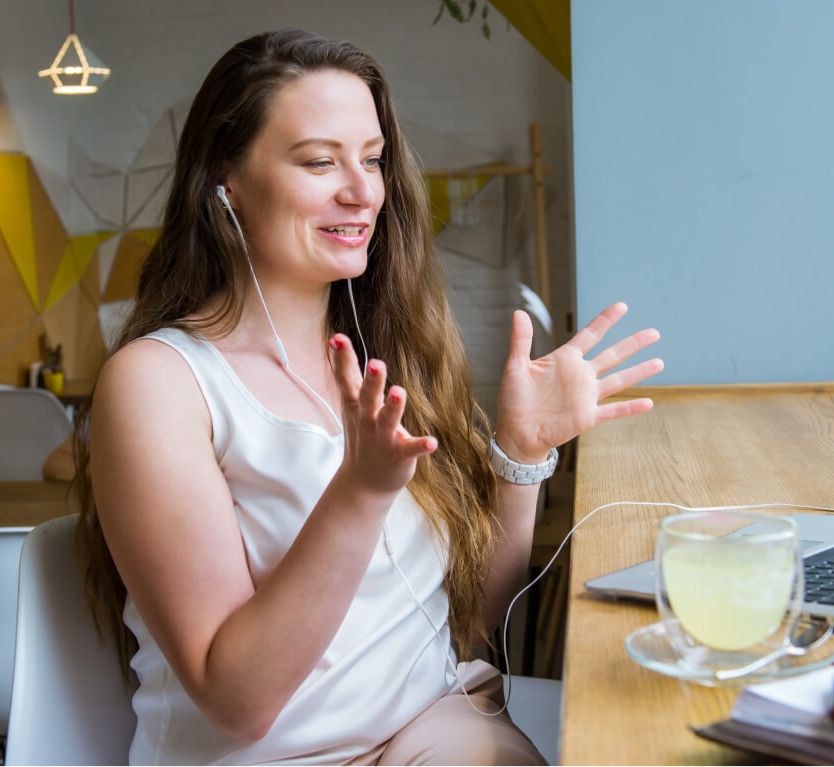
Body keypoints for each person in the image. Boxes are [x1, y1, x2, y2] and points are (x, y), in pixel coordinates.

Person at [74, 29, 663, 765]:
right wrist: (358, 493)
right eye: (320, 161)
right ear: (226, 178)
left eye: (373, 158)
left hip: (427, 725)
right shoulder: (157, 383)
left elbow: (466, 629)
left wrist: (521, 451)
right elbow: (239, 700)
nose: (362, 190)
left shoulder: (383, 354)